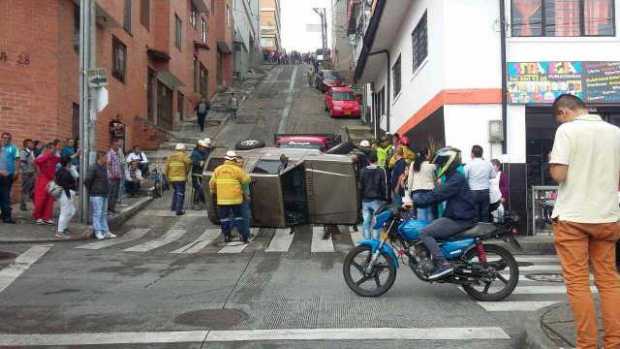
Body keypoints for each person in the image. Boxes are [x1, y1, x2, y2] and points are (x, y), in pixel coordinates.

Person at [548, 94, 620, 349]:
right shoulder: (615, 132)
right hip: (608, 217)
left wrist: (551, 159)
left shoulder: (567, 131)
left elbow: (559, 174)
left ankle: (587, 345)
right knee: (609, 281)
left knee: (578, 283)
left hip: (573, 217)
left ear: (564, 113)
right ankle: (614, 344)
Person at [404, 147, 476, 280]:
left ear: (448, 163)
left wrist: (415, 201)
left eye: (441, 164)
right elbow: (437, 195)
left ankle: (443, 264)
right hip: (457, 215)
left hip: (460, 219)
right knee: (430, 226)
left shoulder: (455, 179)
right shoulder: (452, 177)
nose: (438, 167)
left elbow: (437, 195)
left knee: (425, 232)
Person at [209, 151, 251, 243]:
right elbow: (247, 180)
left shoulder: (218, 169)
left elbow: (211, 183)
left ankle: (227, 236)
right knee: (239, 217)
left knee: (224, 218)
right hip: (236, 199)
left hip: (222, 200)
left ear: (225, 159)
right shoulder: (237, 169)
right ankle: (242, 235)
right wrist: (242, 189)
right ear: (235, 159)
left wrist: (215, 192)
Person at [85, 151, 115, 240]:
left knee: (103, 214)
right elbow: (87, 180)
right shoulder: (93, 167)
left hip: (104, 193)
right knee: (97, 213)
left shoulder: (103, 168)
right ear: (100, 158)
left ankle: (105, 231)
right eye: (105, 157)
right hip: (96, 194)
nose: (106, 159)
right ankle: (98, 231)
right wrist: (91, 190)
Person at [359, 151, 388, 240]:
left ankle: (367, 241)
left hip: (365, 199)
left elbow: (360, 186)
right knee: (376, 222)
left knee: (366, 221)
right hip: (377, 200)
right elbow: (384, 186)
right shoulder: (381, 171)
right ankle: (375, 241)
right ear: (377, 159)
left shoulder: (362, 171)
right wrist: (385, 198)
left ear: (368, 160)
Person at [464, 145, 496, 223]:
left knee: (475, 214)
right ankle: (484, 234)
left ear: (472, 154)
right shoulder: (488, 164)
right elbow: (493, 175)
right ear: (482, 153)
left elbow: (464, 176)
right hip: (485, 191)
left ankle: (476, 234)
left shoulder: (469, 164)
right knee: (485, 214)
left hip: (473, 191)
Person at [403, 148, 436, 222]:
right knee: (430, 215)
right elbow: (435, 180)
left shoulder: (413, 164)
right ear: (426, 155)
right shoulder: (432, 165)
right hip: (429, 192)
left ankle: (422, 232)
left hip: (416, 193)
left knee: (421, 217)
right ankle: (430, 232)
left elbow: (410, 179)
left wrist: (409, 193)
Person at [33, 143, 59, 225]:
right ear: (48, 149)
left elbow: (64, 159)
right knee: (41, 198)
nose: (54, 150)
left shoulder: (55, 158)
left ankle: (47, 217)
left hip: (51, 180)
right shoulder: (43, 156)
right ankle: (38, 216)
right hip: (42, 179)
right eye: (53, 149)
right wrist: (37, 172)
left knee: (50, 199)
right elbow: (35, 161)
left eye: (55, 149)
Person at [165, 143, 191, 216]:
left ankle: (173, 207)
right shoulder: (183, 155)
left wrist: (167, 177)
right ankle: (179, 210)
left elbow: (166, 167)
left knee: (175, 191)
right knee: (180, 193)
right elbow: (189, 162)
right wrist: (186, 171)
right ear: (183, 149)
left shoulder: (171, 156)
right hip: (181, 178)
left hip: (171, 178)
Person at [55, 156, 77, 239]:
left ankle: (64, 227)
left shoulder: (62, 170)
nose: (71, 164)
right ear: (68, 163)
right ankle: (60, 232)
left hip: (66, 193)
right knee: (64, 212)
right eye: (70, 162)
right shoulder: (64, 172)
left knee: (72, 211)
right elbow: (65, 185)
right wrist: (68, 196)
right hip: (66, 194)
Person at [0, 132, 19, 224]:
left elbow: (17, 159)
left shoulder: (14, 148)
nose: (5, 139)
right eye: (4, 138)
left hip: (8, 176)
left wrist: (16, 171)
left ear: (10, 139)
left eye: (7, 138)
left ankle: (6, 217)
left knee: (6, 196)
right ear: (1, 138)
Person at [190, 139, 212, 208]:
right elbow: (193, 162)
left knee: (202, 188)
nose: (204, 148)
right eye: (203, 147)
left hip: (201, 173)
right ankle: (196, 203)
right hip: (196, 174)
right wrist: (200, 163)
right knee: (198, 188)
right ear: (199, 147)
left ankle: (202, 201)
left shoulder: (202, 152)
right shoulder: (195, 153)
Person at [106, 139, 123, 213]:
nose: (118, 147)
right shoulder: (110, 153)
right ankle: (109, 208)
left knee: (115, 193)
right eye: (117, 145)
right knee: (111, 193)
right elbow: (108, 164)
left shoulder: (117, 154)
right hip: (112, 177)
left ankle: (112, 208)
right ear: (112, 145)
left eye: (118, 145)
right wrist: (112, 174)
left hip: (117, 177)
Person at [19, 138, 36, 211]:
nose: (32, 144)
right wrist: (26, 171)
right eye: (30, 143)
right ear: (26, 144)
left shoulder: (32, 152)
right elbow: (22, 163)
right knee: (25, 190)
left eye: (32, 143)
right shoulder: (23, 152)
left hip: (32, 173)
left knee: (33, 189)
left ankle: (36, 204)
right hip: (27, 174)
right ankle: (23, 205)